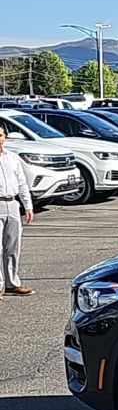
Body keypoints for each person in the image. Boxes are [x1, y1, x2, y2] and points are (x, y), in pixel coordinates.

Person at [0, 124, 35, 299]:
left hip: (12, 203)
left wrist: (27, 206)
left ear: (4, 137)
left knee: (13, 246)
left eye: (0, 135)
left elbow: (22, 183)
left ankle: (12, 283)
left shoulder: (12, 158)